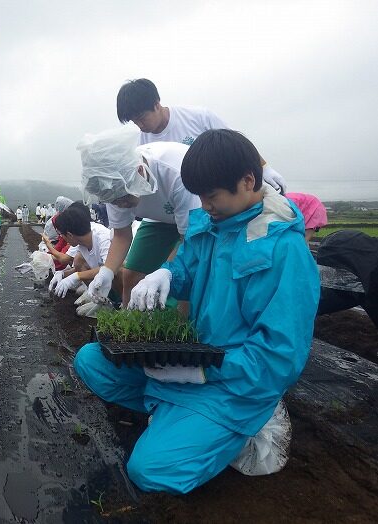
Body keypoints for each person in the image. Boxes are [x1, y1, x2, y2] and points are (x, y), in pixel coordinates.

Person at [74, 129, 319, 494]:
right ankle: (179, 415)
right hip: (193, 355)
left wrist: (197, 373)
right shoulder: (212, 226)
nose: (203, 205)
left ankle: (240, 423)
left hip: (234, 382)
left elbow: (277, 358)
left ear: (248, 181)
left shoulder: (283, 250)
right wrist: (166, 275)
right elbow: (186, 268)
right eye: (201, 196)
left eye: (211, 196)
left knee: (150, 470)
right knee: (91, 361)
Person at [80, 128, 201, 306]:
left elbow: (188, 240)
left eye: (123, 198)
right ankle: (130, 324)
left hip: (196, 222)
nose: (120, 205)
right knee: (131, 276)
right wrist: (107, 271)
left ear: (139, 172)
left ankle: (181, 326)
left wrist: (165, 272)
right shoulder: (111, 185)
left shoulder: (175, 173)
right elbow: (121, 235)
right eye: (113, 201)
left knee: (184, 287)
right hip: (159, 220)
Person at [116, 78, 287, 192]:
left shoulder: (199, 117)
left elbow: (237, 145)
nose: (140, 126)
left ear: (156, 104)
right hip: (171, 204)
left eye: (142, 118)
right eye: (134, 121)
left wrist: (264, 168)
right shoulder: (140, 144)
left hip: (211, 192)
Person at [49, 202, 118, 300]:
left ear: (69, 235)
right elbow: (78, 265)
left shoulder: (103, 238)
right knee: (78, 259)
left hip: (122, 280)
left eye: (61, 234)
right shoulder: (80, 240)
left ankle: (117, 303)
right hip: (105, 279)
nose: (61, 238)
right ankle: (99, 298)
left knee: (117, 271)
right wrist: (62, 274)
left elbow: (112, 268)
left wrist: (77, 276)